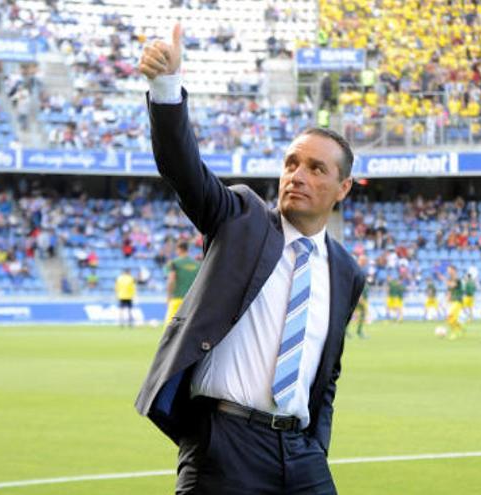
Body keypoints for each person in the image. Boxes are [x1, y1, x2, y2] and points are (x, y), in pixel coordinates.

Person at [135, 24, 364, 495]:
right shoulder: (241, 217)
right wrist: (166, 87)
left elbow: (328, 372)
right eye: (291, 163)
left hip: (300, 454)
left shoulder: (346, 271)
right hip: (225, 446)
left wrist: (317, 444)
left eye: (316, 168)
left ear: (342, 189)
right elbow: (184, 170)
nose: (297, 175)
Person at [164, 241, 201, 326]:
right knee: (188, 327)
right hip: (192, 300)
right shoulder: (197, 264)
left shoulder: (174, 263)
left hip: (177, 298)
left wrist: (169, 295)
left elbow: (171, 279)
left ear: (179, 249)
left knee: (170, 327)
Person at [446, 265, 464, 339]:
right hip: (453, 301)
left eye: (449, 270)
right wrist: (448, 298)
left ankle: (454, 333)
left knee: (451, 317)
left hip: (458, 300)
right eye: (448, 270)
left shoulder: (457, 279)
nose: (448, 271)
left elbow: (453, 286)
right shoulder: (450, 279)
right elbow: (450, 290)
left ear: (454, 270)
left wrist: (446, 282)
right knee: (449, 319)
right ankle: (461, 327)